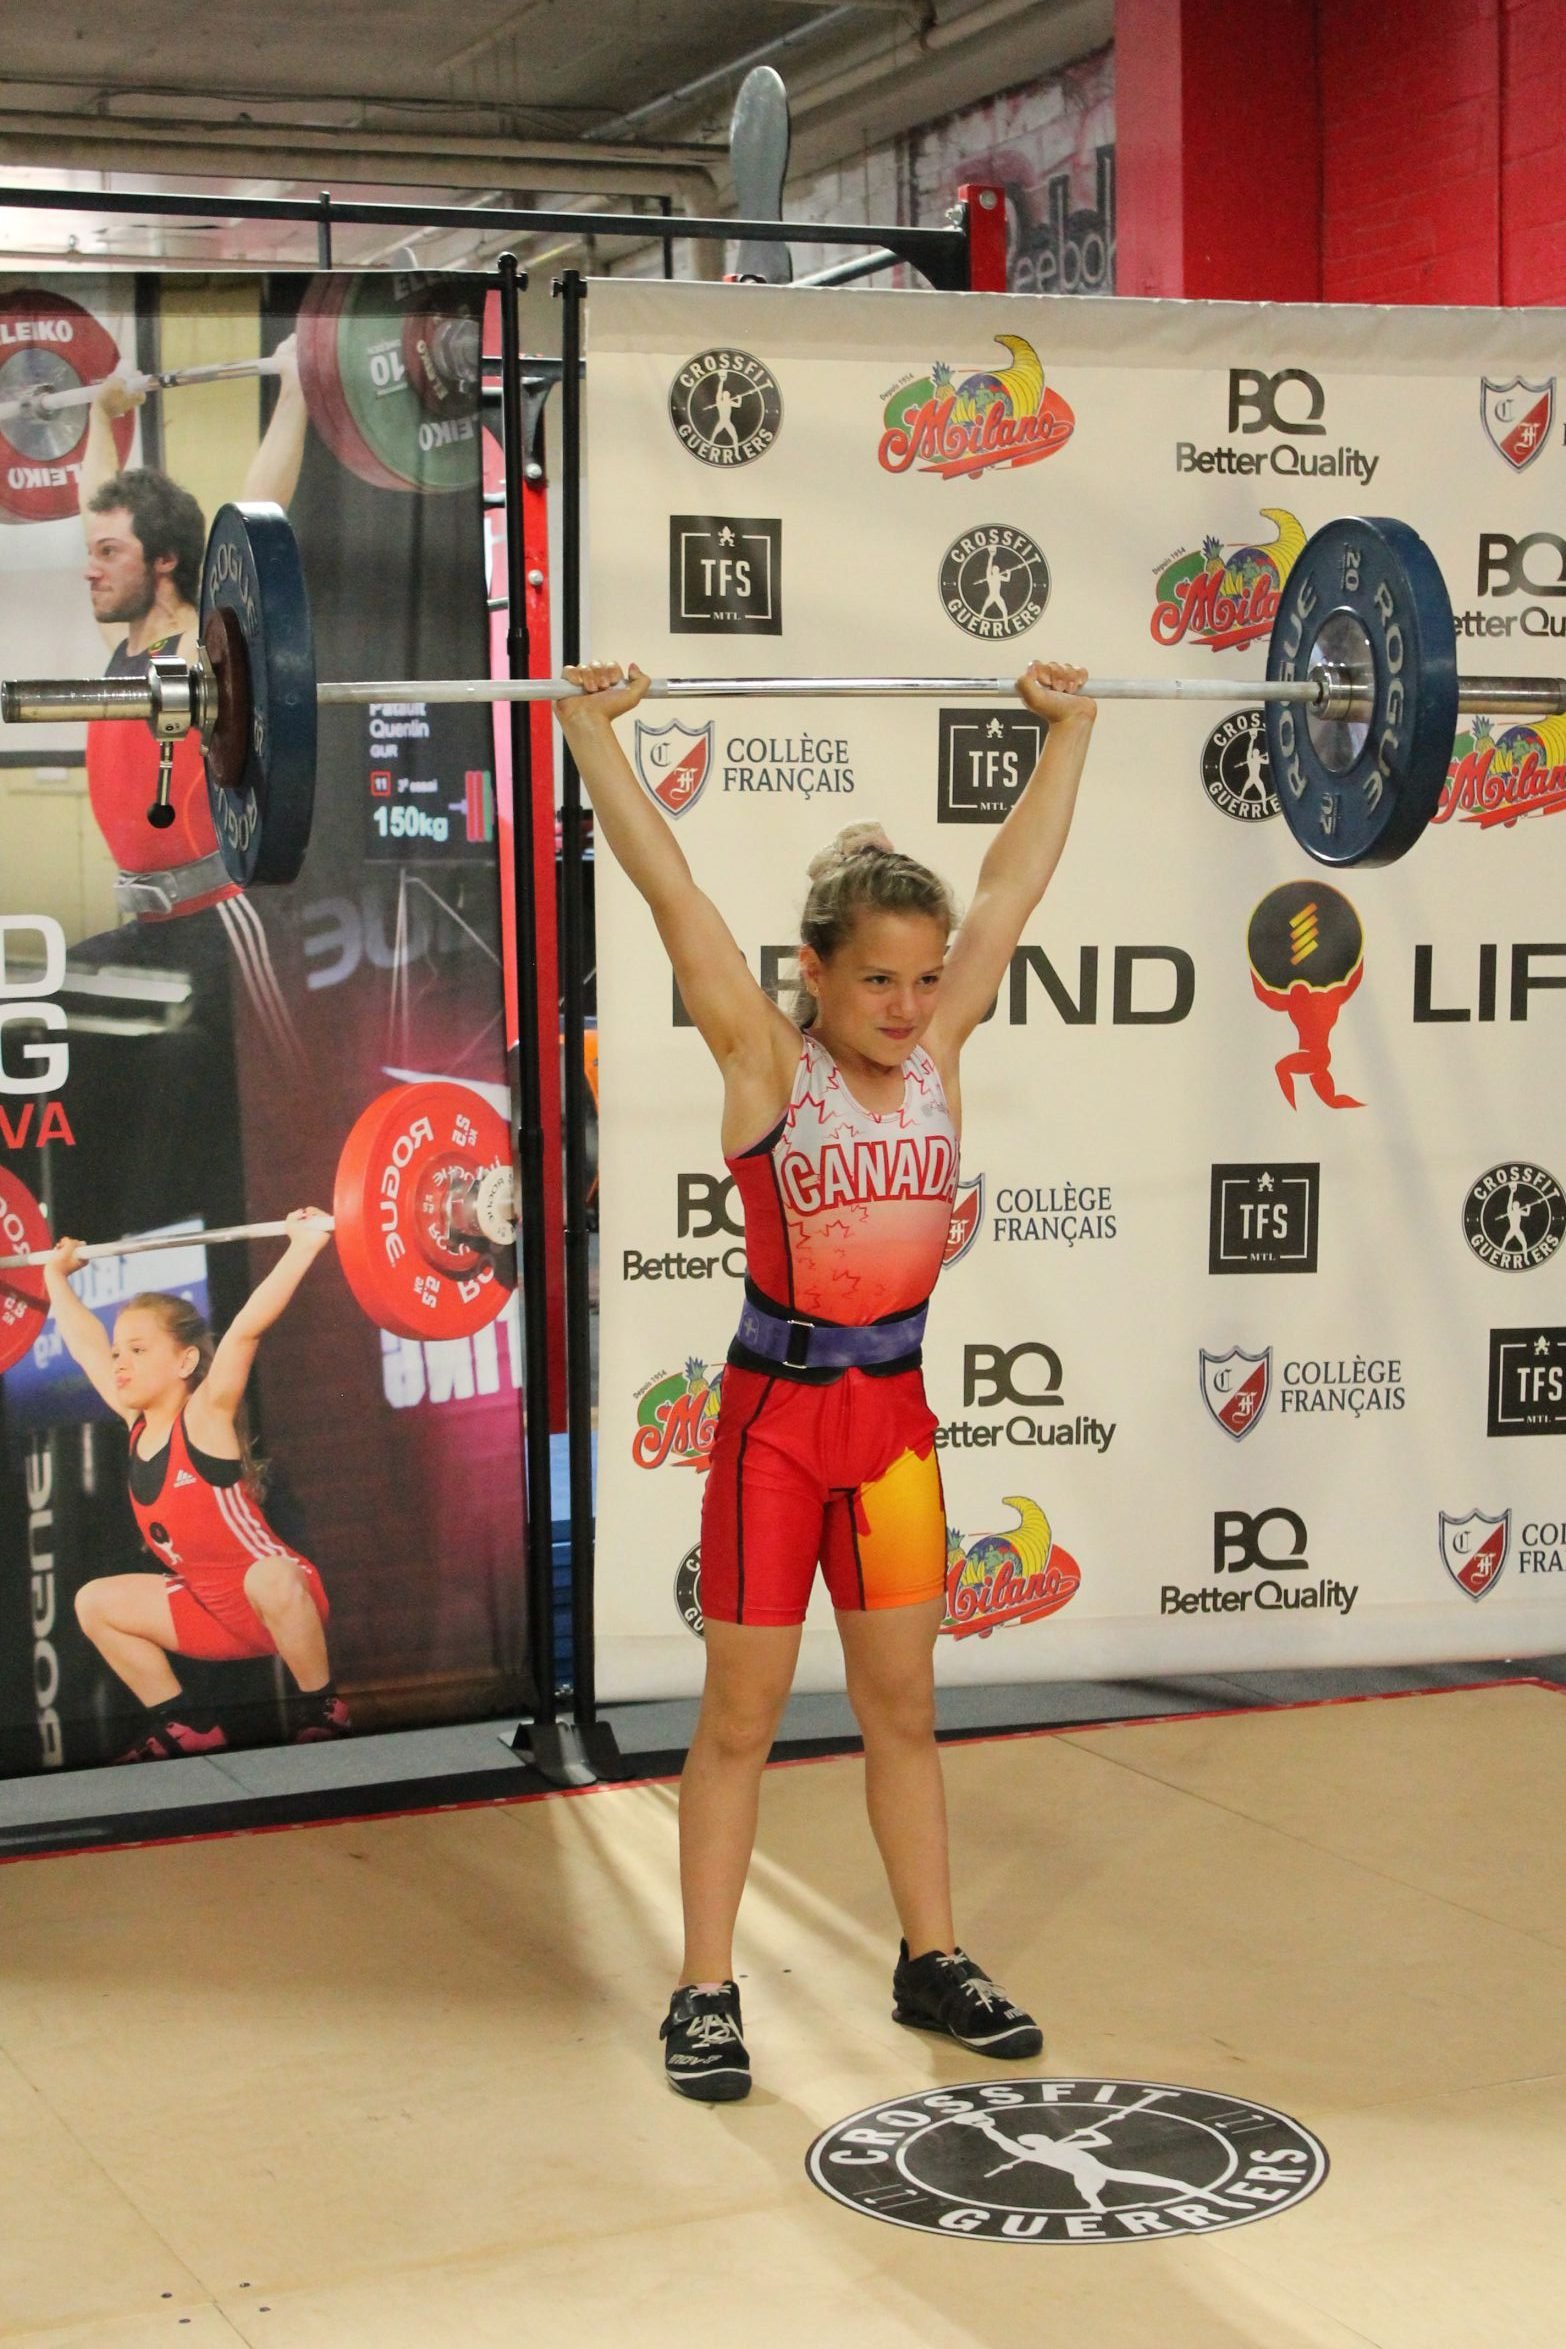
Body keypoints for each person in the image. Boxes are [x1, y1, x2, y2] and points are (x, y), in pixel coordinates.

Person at [557, 655, 1096, 2102]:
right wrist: (587, 733)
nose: (911, 1004)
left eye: (923, 980)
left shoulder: (939, 1054)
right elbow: (670, 895)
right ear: (813, 973)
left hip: (895, 1433)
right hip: (774, 1434)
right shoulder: (764, 1064)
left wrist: (1071, 733)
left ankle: (930, 1955)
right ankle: (705, 1988)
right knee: (737, 1720)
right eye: (878, 979)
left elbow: (1009, 892)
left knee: (901, 1709)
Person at [41, 1212, 350, 1762]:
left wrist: (304, 1245)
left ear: (185, 1360)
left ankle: (321, 1707)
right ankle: (185, 1723)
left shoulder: (205, 1416)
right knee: (94, 1602)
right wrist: (55, 1280)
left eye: (138, 1349)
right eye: (120, 1352)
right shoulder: (137, 1426)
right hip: (212, 1617)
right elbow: (87, 1346)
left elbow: (246, 1331)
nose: (120, 1363)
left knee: (271, 1575)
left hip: (282, 1602)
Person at [77, 336, 309, 941]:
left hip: (218, 919)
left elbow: (259, 511)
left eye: (109, 554)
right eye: (91, 552)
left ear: (163, 560)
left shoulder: (188, 647)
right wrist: (101, 415)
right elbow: (96, 506)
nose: (90, 568)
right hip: (148, 918)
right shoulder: (126, 652)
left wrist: (296, 389)